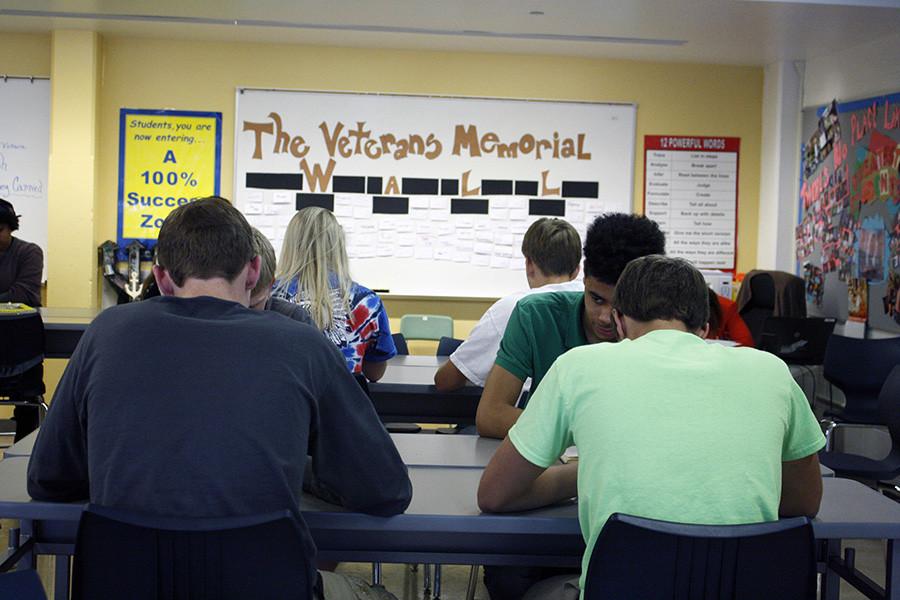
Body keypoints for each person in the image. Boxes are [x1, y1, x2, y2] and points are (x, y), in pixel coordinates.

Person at [27, 197, 412, 600]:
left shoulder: (106, 333)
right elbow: (386, 490)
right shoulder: (302, 345)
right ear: (253, 271)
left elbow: (47, 478)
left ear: (160, 278)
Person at [478, 255, 825, 600]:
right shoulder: (772, 372)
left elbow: (495, 494)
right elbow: (803, 502)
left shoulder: (577, 368)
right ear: (704, 329)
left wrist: (583, 473)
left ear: (618, 322)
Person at [476, 212, 666, 440]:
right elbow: (490, 415)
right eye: (596, 298)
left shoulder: (660, 334)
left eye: (620, 306)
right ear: (583, 277)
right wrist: (591, 434)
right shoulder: (535, 315)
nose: (605, 317)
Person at [434, 218, 583, 392]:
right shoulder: (595, 308)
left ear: (529, 264)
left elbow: (447, 380)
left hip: (520, 417)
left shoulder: (513, 308)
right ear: (577, 270)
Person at [273, 207, 396, 382]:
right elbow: (375, 374)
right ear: (338, 244)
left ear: (291, 244)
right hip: (342, 406)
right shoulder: (367, 302)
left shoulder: (268, 296)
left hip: (287, 404)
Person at [0, 198, 45, 440]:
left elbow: (25, 294)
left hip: (20, 354)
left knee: (28, 395)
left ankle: (25, 450)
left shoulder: (29, 252)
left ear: (11, 227)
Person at [249, 226, 313, 326]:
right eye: (236, 306)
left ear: (271, 285)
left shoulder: (294, 318)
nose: (244, 316)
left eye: (252, 307)